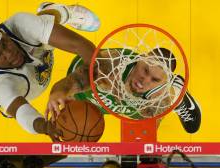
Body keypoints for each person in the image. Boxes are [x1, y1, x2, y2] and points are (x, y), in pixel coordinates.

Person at [0, 2, 100, 141]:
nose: (9, 54)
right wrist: (45, 127)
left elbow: (81, 45)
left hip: (40, 47)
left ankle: (66, 12)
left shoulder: (19, 24)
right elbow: (23, 114)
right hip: (16, 87)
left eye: (5, 44)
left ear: (4, 35)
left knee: (43, 22)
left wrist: (95, 70)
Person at [46, 47, 201, 133]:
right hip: (85, 90)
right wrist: (58, 92)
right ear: (140, 59)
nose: (144, 81)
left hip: (121, 102)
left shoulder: (158, 100)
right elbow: (73, 82)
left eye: (155, 79)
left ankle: (177, 94)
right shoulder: (108, 66)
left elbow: (146, 139)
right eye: (145, 70)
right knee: (75, 126)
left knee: (150, 117)